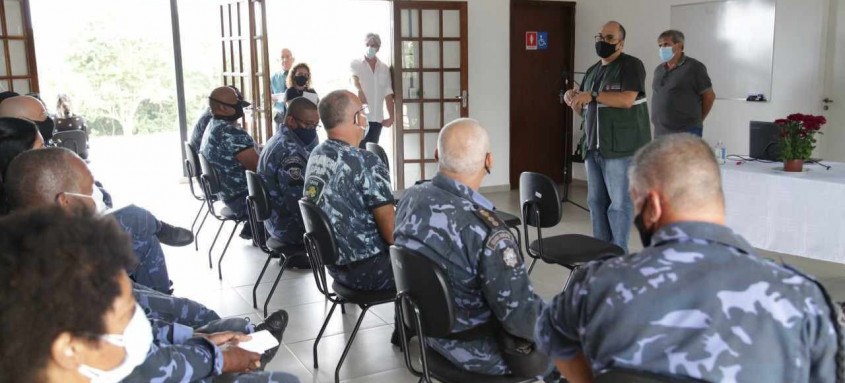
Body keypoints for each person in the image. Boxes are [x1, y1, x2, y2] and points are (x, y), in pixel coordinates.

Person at [535, 134, 841, 383]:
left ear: (652, 204)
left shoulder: (595, 284)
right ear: (716, 198)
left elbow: (550, 334)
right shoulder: (803, 298)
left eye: (635, 200)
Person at [3, 149, 295, 382]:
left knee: (227, 328)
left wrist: (197, 338)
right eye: (126, 317)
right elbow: (141, 369)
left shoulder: (46, 263)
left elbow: (139, 344)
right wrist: (218, 358)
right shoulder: (54, 287)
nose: (99, 197)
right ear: (69, 350)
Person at [395, 118, 548, 376]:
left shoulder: (410, 198)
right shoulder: (488, 232)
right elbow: (520, 319)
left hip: (428, 338)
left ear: (436, 155)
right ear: (489, 161)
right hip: (477, 353)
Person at [564, 21, 650, 252]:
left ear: (620, 43)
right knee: (596, 202)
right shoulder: (593, 71)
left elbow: (627, 100)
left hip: (621, 150)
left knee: (619, 204)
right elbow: (583, 109)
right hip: (594, 147)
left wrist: (591, 95)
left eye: (609, 38)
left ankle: (618, 254)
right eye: (600, 36)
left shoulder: (631, 65)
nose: (603, 42)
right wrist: (572, 99)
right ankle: (600, 251)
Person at [303, 90, 394, 291]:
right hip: (372, 271)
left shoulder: (316, 154)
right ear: (355, 118)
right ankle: (408, 323)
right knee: (437, 261)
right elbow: (392, 234)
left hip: (335, 268)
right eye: (362, 111)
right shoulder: (366, 161)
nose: (365, 117)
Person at [257, 97, 319, 269]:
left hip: (274, 221)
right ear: (291, 120)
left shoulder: (279, 138)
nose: (313, 130)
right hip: (288, 227)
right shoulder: (290, 152)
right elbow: (300, 203)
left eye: (315, 125)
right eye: (308, 125)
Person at [200, 86, 259, 239]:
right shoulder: (231, 133)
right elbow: (259, 168)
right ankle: (286, 241)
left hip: (226, 194)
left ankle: (256, 228)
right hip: (243, 198)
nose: (239, 105)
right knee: (292, 191)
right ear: (221, 107)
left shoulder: (212, 125)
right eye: (236, 103)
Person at [651, 30, 716, 137]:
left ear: (679, 46)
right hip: (660, 132)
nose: (662, 49)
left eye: (666, 44)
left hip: (686, 132)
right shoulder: (659, 69)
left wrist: (697, 121)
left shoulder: (694, 67)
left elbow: (709, 96)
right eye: (660, 46)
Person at [351, 33, 395, 148]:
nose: (370, 47)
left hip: (376, 118)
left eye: (373, 45)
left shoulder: (384, 68)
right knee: (358, 151)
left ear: (378, 48)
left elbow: (388, 93)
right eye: (367, 44)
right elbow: (354, 79)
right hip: (359, 118)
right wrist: (360, 90)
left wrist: (391, 116)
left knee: (371, 152)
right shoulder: (356, 63)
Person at [190, 85, 245, 152]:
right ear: (223, 107)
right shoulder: (215, 121)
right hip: (200, 154)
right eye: (237, 102)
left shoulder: (212, 117)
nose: (239, 108)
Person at [271, 48, 295, 123]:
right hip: (279, 116)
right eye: (282, 57)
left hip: (296, 116)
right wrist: (270, 98)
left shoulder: (299, 75)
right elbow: (265, 99)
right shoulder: (273, 78)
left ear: (293, 59)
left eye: (288, 57)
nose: (285, 60)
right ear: (278, 60)